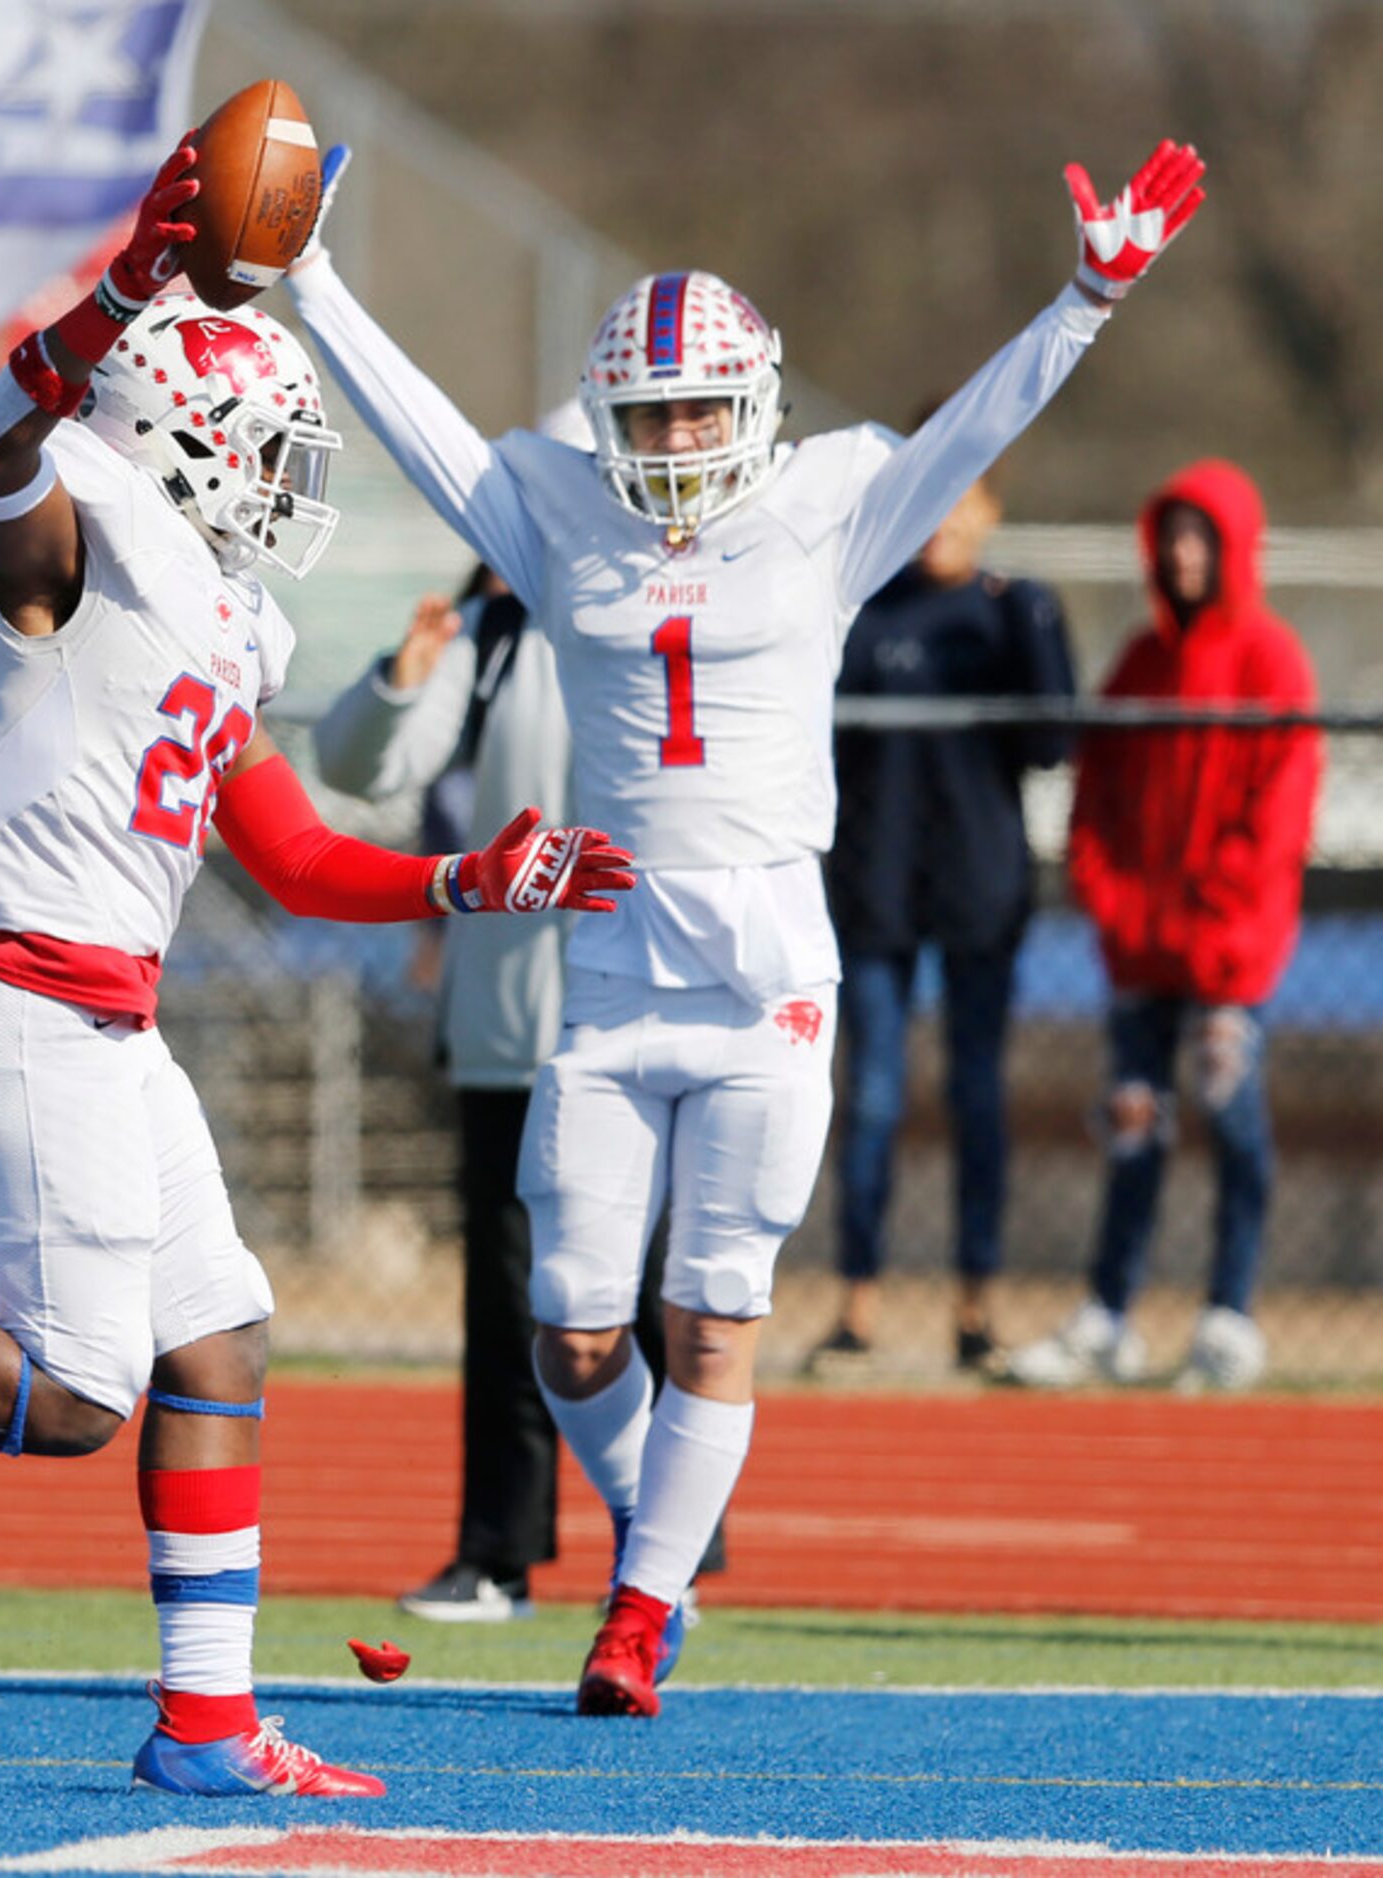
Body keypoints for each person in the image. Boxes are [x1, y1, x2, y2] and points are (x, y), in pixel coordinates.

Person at [0, 137, 631, 1798]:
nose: (291, 473)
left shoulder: (224, 612)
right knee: (77, 1394)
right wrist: (134, 282)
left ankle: (204, 1723)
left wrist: (468, 876)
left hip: (102, 1005)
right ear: (193, 434)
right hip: (8, 981)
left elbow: (286, 855)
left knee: (219, 1337)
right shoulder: (84, 529)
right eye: (272, 439)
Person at [286, 137, 1204, 1715]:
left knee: (713, 1313)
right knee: (573, 1332)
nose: (680, 435)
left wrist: (1088, 296)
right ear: (610, 418)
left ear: (756, 399)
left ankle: (640, 1611)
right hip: (613, 967)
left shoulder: (832, 501)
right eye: (650, 413)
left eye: (704, 405)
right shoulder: (558, 504)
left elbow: (976, 422)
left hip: (772, 973)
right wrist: (307, 281)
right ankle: (668, 1536)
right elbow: (424, 433)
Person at [1009, 460, 1318, 1394]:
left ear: (1232, 549)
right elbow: (1093, 799)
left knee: (1231, 1124)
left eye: (1201, 537)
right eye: (1171, 536)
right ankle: (1107, 1313)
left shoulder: (1272, 661)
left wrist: (1207, 911)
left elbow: (1277, 816)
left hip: (1227, 959)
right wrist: (1114, 899)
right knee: (1134, 1128)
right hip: (1140, 954)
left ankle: (1228, 1315)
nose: (1183, 554)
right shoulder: (1139, 663)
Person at [316, 569, 567, 1622]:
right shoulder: (495, 632)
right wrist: (398, 681)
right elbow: (361, 766)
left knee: (655, 1299)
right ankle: (496, 1555)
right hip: (509, 1027)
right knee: (508, 1302)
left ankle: (670, 1557)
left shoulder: (665, 613)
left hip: (650, 1018)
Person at [812, 462, 1077, 1377]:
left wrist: (1028, 624)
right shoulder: (863, 608)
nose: (943, 521)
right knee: (874, 1102)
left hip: (979, 896)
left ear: (991, 508)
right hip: (875, 898)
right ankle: (856, 1307)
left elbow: (1051, 742)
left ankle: (975, 1309)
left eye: (963, 498)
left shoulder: (1012, 611)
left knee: (975, 1102)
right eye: (931, 496)